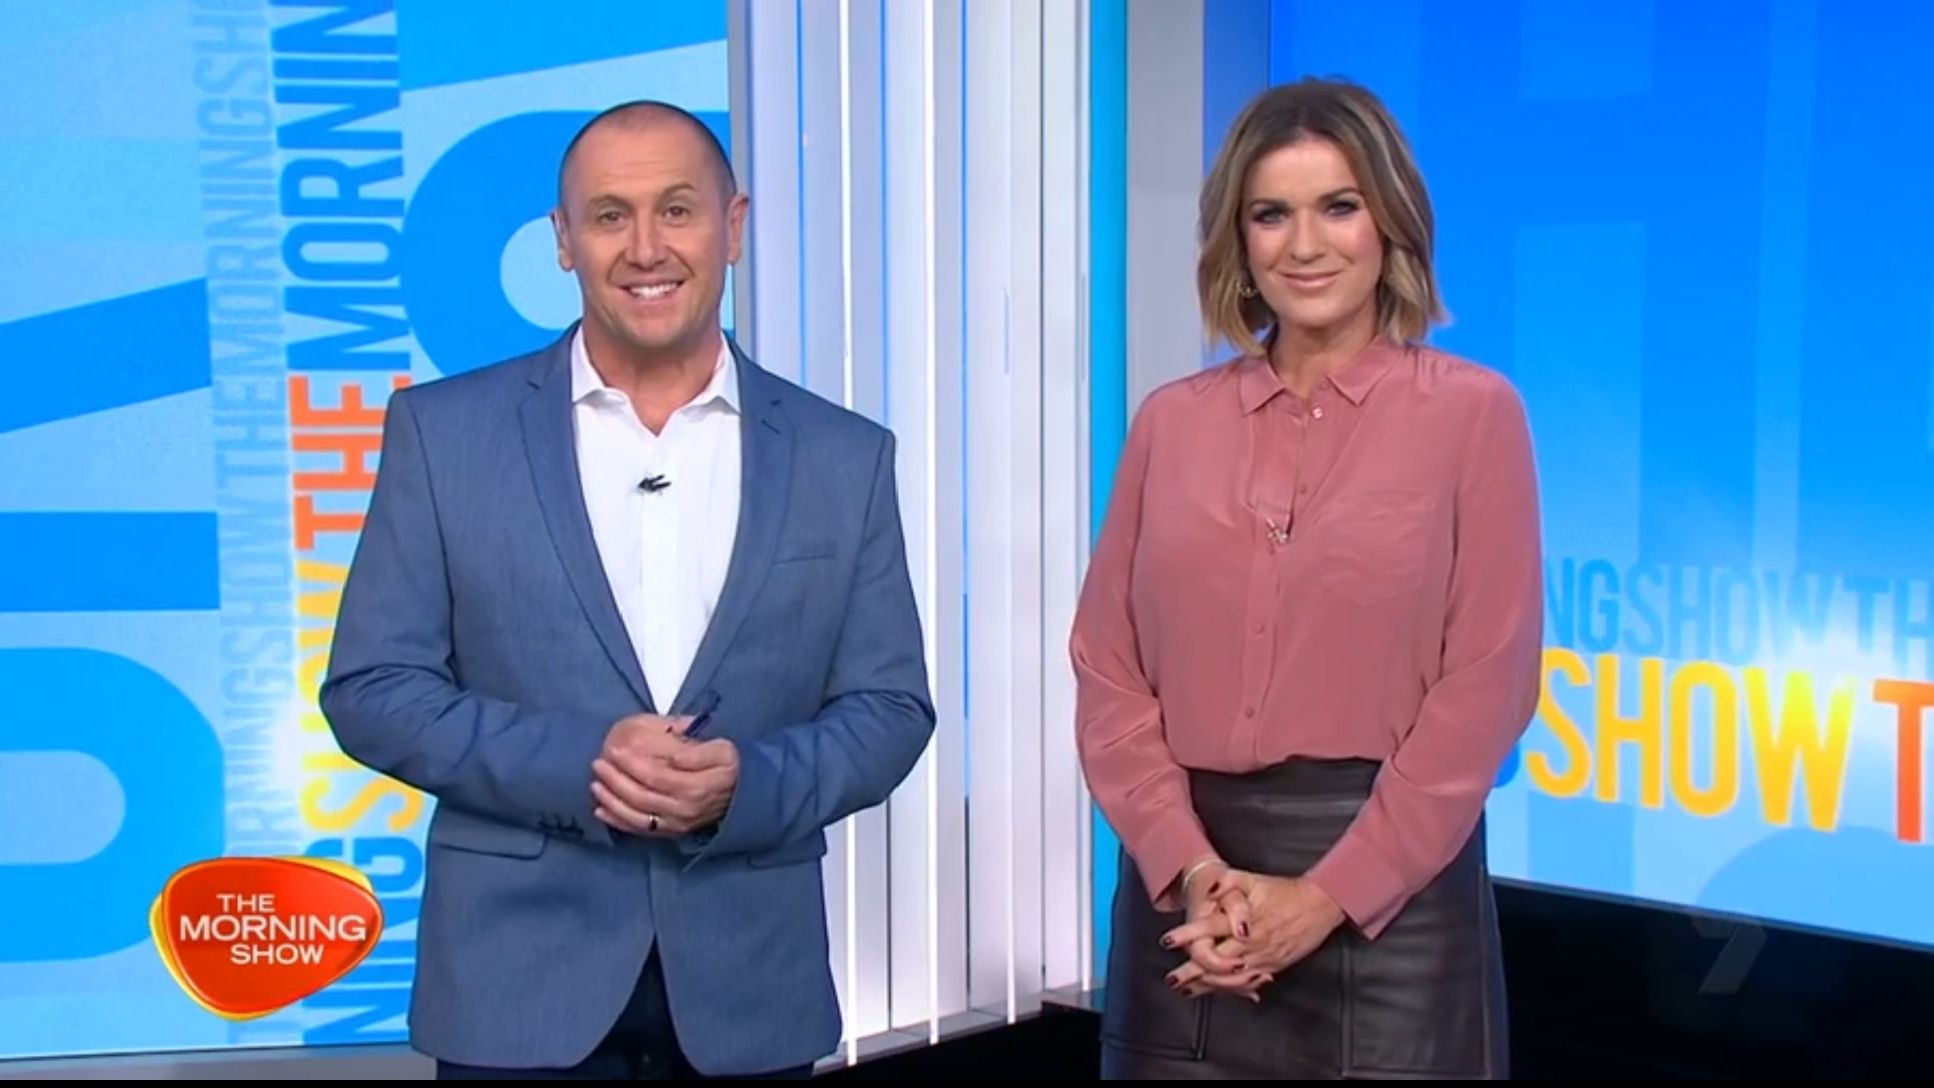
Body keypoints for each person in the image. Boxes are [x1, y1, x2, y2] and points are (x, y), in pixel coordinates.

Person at [320, 100, 935, 1080]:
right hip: (515, 990)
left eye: (676, 210)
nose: (646, 248)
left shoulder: (844, 455)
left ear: (733, 225)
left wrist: (746, 783)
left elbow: (889, 707)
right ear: (564, 240)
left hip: (750, 988)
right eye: (610, 216)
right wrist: (584, 764)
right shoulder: (443, 434)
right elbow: (373, 687)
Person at [1071, 76, 1543, 1080]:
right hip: (1190, 908)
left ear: (1389, 222)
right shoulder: (1170, 422)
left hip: (1393, 908)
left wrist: (1325, 897)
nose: (1304, 245)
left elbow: (1487, 688)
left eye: (1338, 206)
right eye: (1271, 214)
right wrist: (1192, 869)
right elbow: (1108, 670)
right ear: (1237, 239)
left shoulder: (1474, 415)